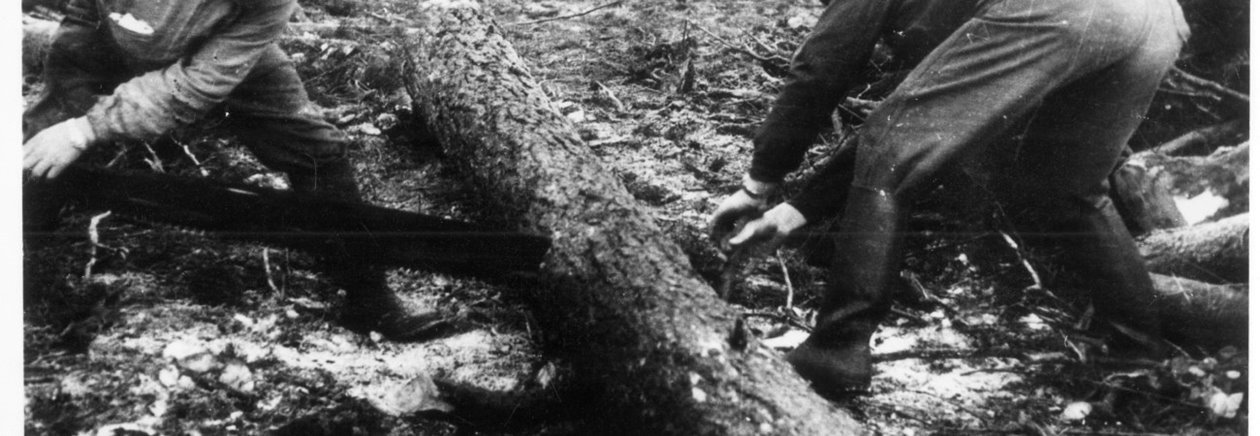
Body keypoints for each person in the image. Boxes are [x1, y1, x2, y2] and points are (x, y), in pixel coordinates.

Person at [710, 0, 1188, 396]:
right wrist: (797, 210)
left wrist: (760, 181)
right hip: (1155, 21)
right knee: (1068, 187)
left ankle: (836, 349)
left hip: (1074, 11)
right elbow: (909, 124)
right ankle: (1140, 359)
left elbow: (820, 70)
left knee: (891, 148)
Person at [23, 0, 453, 341]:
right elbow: (82, 14)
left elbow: (194, 84)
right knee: (40, 143)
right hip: (106, 37)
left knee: (316, 150)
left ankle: (368, 295)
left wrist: (88, 129)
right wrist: (72, 99)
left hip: (217, 51)